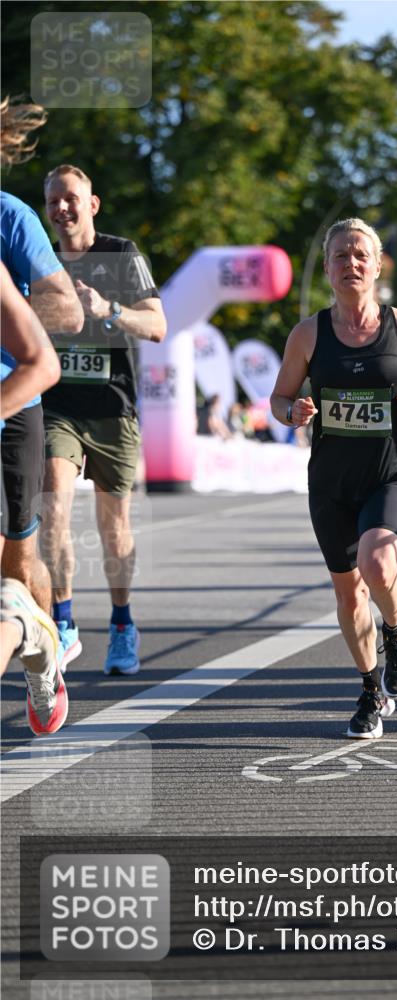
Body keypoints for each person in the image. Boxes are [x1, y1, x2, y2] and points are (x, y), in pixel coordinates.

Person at [270, 218, 397, 739]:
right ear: (327, 268)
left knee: (378, 562)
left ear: (377, 265)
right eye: (341, 256)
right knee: (347, 597)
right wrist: (292, 411)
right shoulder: (308, 333)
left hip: (391, 471)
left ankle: (395, 636)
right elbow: (278, 398)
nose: (352, 263)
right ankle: (370, 689)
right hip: (330, 482)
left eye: (361, 255)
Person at [40, 164, 167, 675]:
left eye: (70, 198)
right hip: (58, 405)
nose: (61, 209)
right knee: (52, 504)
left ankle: (121, 623)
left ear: (92, 204)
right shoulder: (40, 258)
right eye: (52, 202)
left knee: (114, 526)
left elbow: (156, 325)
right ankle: (64, 621)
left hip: (113, 408)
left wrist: (108, 309)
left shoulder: (121, 254)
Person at [1, 98, 84, 615]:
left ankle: (45, 665)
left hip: (15, 404)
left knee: (18, 565)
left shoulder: (11, 217)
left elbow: (68, 312)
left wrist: (12, 316)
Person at [1, 262, 68, 734]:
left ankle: (24, 623)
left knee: (20, 564)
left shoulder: (13, 221)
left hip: (16, 418)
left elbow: (43, 362)